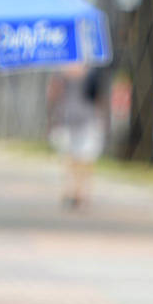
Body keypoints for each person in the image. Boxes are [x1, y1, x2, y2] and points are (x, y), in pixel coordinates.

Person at [49, 64, 107, 210]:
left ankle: (80, 192)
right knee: (71, 157)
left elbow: (98, 96)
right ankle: (72, 191)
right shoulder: (61, 72)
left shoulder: (91, 72)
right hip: (69, 118)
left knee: (84, 158)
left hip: (85, 119)